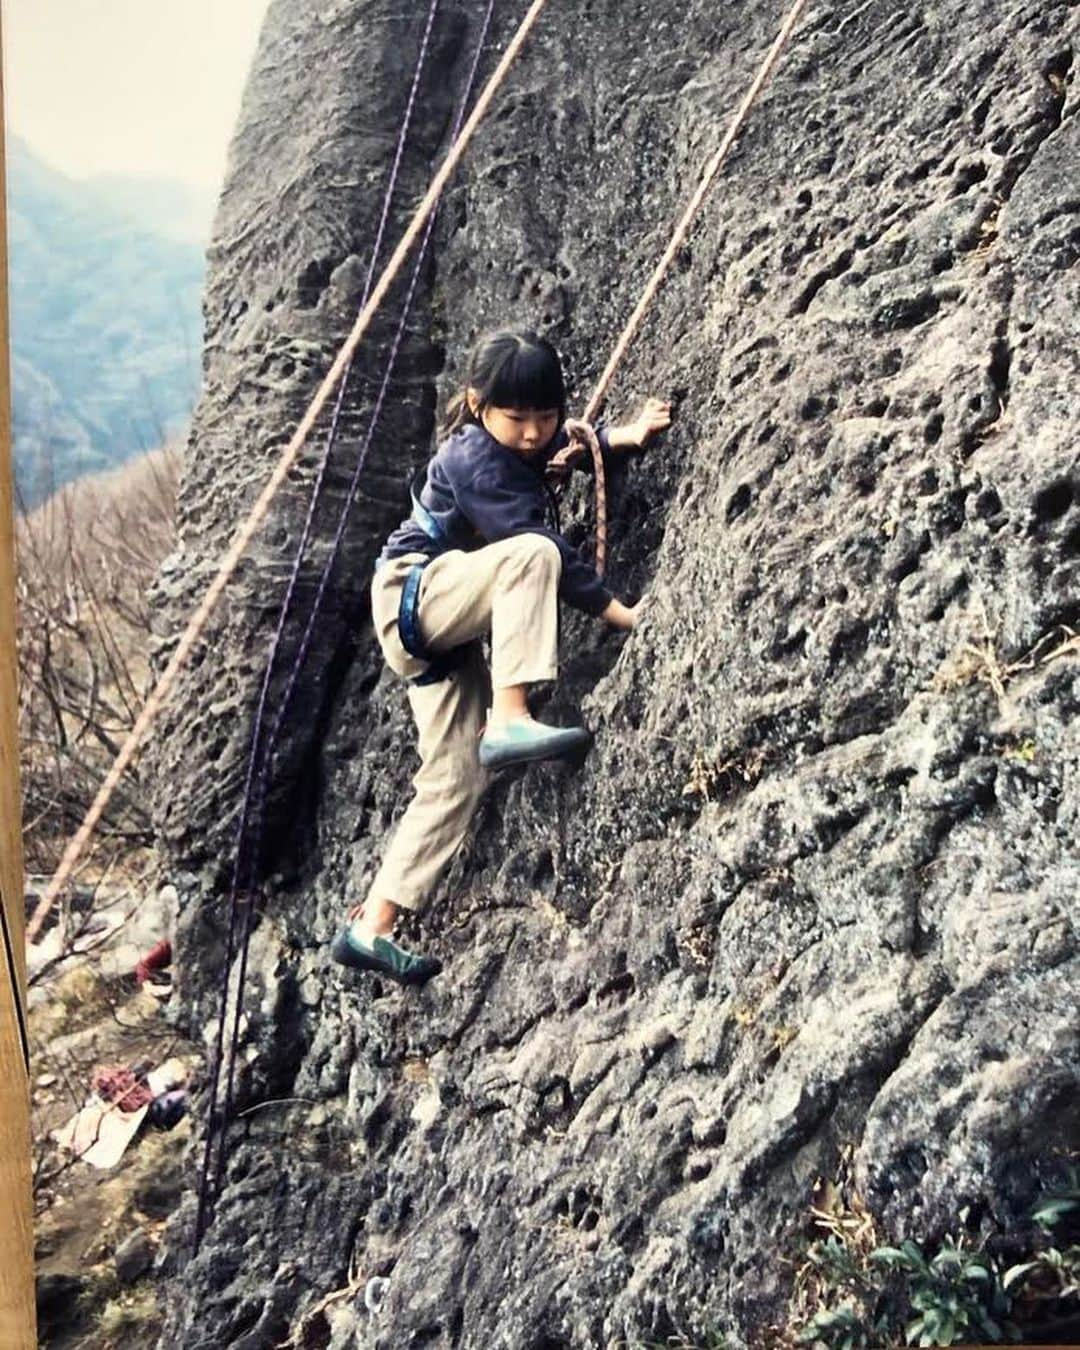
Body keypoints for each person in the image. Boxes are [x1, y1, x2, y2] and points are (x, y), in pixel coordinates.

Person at [330, 329, 671, 985]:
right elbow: (531, 541)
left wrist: (622, 438)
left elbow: (568, 441)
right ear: (477, 404)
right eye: (517, 418)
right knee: (534, 554)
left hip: (434, 634)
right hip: (414, 597)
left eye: (543, 416)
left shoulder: (526, 441)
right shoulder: (471, 459)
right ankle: (509, 716)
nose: (532, 432)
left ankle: (371, 927)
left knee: (455, 779)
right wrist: (619, 612)